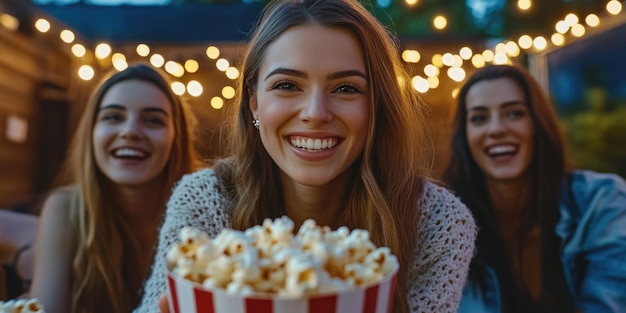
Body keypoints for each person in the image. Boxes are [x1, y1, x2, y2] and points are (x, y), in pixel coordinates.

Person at [135, 1, 477, 313]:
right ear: (254, 101)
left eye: (346, 88)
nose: (316, 113)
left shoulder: (437, 222)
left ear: (378, 107)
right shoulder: (205, 200)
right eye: (287, 85)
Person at [444, 64, 626, 313]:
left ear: (539, 124)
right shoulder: (444, 224)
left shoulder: (601, 201)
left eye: (514, 113)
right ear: (464, 136)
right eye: (479, 118)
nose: (496, 129)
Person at [29, 63, 202, 313]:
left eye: (153, 120)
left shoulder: (205, 208)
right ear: (91, 132)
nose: (130, 131)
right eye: (113, 117)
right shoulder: (65, 209)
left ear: (177, 138)